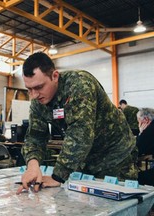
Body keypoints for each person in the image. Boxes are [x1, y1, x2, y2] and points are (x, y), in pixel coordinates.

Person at [16, 52, 138, 194]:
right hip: (84, 159)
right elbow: (35, 136)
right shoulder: (38, 102)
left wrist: (58, 176)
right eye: (29, 89)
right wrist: (32, 165)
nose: (34, 95)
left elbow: (80, 133)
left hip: (115, 155)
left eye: (39, 87)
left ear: (55, 76)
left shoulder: (80, 84)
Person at [136, 108, 154, 186]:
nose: (138, 123)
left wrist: (141, 133)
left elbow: (137, 150)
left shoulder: (149, 130)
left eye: (139, 121)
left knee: (137, 177)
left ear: (146, 120)